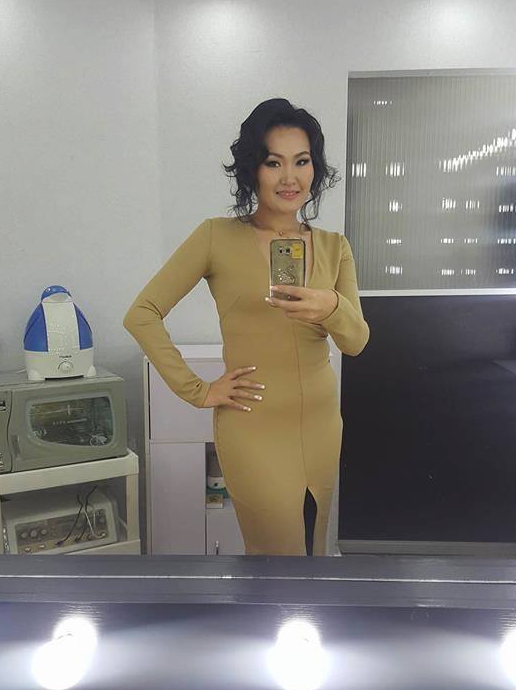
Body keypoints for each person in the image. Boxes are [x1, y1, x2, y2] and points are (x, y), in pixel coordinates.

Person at [123, 98, 369, 556]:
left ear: (315, 169)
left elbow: (355, 341)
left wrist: (330, 305)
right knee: (277, 556)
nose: (290, 177)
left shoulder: (335, 247)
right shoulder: (216, 237)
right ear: (252, 169)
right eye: (273, 162)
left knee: (314, 547)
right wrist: (198, 391)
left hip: (321, 424)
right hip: (253, 428)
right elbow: (142, 313)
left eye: (301, 161)